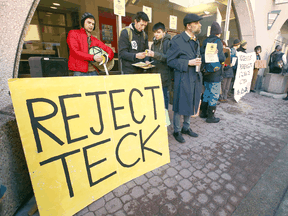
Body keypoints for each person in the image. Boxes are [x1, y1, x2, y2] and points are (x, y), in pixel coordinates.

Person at [167, 13, 203, 143]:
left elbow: (196, 57)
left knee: (191, 101)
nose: (200, 25)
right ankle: (177, 130)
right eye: (197, 23)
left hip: (194, 77)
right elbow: (170, 61)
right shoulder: (177, 40)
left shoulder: (196, 40)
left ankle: (186, 128)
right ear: (189, 26)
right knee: (178, 105)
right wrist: (188, 63)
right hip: (182, 78)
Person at [200, 21, 225, 123]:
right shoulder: (218, 41)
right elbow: (221, 58)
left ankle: (203, 113)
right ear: (218, 33)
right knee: (214, 94)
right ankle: (210, 117)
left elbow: (201, 55)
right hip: (215, 73)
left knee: (206, 92)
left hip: (206, 72)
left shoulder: (205, 41)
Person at [146, 22, 172, 110]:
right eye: (155, 32)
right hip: (155, 75)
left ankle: (165, 119)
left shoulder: (168, 43)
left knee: (164, 97)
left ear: (164, 32)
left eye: (159, 32)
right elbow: (152, 57)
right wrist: (147, 60)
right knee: (156, 98)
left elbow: (168, 58)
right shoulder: (153, 44)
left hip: (164, 76)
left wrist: (154, 54)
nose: (156, 34)